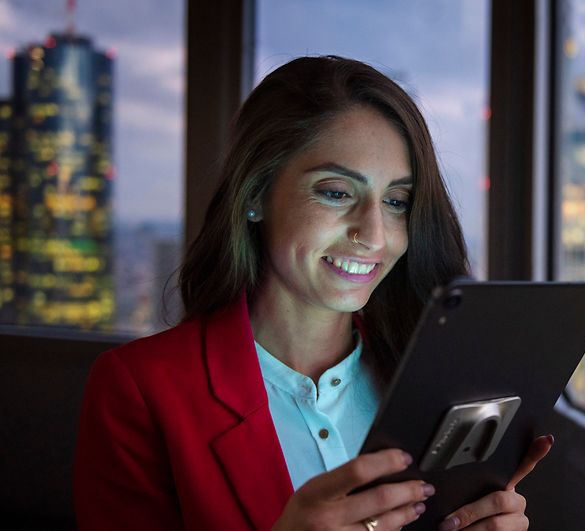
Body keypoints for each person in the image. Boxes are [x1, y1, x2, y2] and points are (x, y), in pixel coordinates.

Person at [73, 56, 552, 530]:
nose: (375, 235)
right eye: (337, 192)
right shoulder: (140, 388)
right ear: (256, 195)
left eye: (396, 202)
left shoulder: (432, 376)